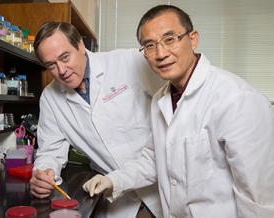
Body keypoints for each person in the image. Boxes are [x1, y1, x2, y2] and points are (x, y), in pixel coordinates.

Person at [82, 4, 274, 217]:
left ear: (193, 39)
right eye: (149, 45)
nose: (161, 53)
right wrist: (113, 180)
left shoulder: (237, 99)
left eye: (170, 39)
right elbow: (156, 159)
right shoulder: (161, 100)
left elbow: (259, 200)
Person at [29, 21, 165, 218]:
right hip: (117, 199)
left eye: (65, 57)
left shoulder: (128, 62)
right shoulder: (50, 98)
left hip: (160, 189)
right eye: (51, 65)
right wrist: (43, 174)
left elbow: (172, 110)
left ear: (81, 45)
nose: (62, 70)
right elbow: (50, 151)